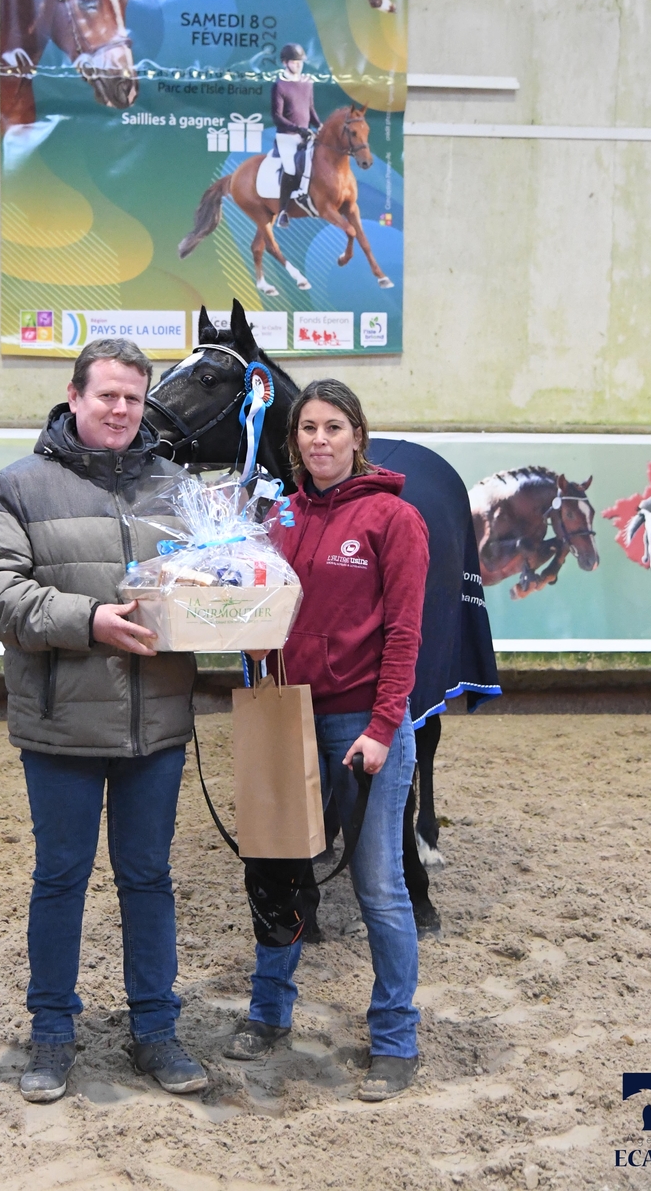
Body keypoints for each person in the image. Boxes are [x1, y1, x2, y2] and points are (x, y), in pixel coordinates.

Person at [0, 338, 207, 1104]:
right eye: (107, 395)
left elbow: (216, 579)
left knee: (149, 879)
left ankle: (156, 1032)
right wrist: (88, 618)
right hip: (60, 725)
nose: (121, 409)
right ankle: (52, 1036)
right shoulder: (18, 488)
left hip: (157, 724)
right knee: (60, 879)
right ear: (74, 397)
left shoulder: (181, 489)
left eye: (134, 397)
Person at [223, 378, 429, 1102]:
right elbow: (258, 605)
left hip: (360, 726)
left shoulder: (392, 518)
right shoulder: (279, 516)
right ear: (294, 439)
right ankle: (268, 1014)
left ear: (357, 436)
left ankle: (396, 1040)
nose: (319, 440)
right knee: (278, 878)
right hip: (287, 713)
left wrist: (381, 728)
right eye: (308, 427)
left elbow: (405, 634)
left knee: (378, 887)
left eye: (333, 427)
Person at [270, 43, 321, 229]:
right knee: (291, 169)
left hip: (305, 135)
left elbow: (310, 109)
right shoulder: (280, 85)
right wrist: (297, 128)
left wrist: (319, 125)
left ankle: (307, 197)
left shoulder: (308, 82)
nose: (298, 65)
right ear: (285, 63)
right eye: (294, 62)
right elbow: (277, 116)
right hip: (287, 136)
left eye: (300, 62)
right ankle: (283, 210)